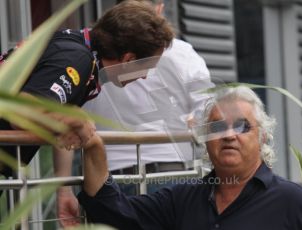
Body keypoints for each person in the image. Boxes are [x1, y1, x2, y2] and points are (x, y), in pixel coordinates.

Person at [0, 0, 173, 225]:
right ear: (129, 59)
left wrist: (63, 188)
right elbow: (21, 112)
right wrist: (79, 122)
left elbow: (57, 115)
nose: (144, 77)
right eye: (147, 67)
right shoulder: (77, 59)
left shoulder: (80, 48)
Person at [74, 86, 302, 229]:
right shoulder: (182, 200)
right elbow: (114, 211)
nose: (229, 135)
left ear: (262, 138)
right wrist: (94, 146)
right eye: (218, 127)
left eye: (242, 126)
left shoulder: (292, 202)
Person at [83, 0, 214, 192]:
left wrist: (62, 186)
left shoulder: (89, 51)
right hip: (167, 168)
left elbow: (67, 112)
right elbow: (208, 105)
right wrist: (196, 119)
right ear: (160, 9)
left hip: (105, 169)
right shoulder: (181, 52)